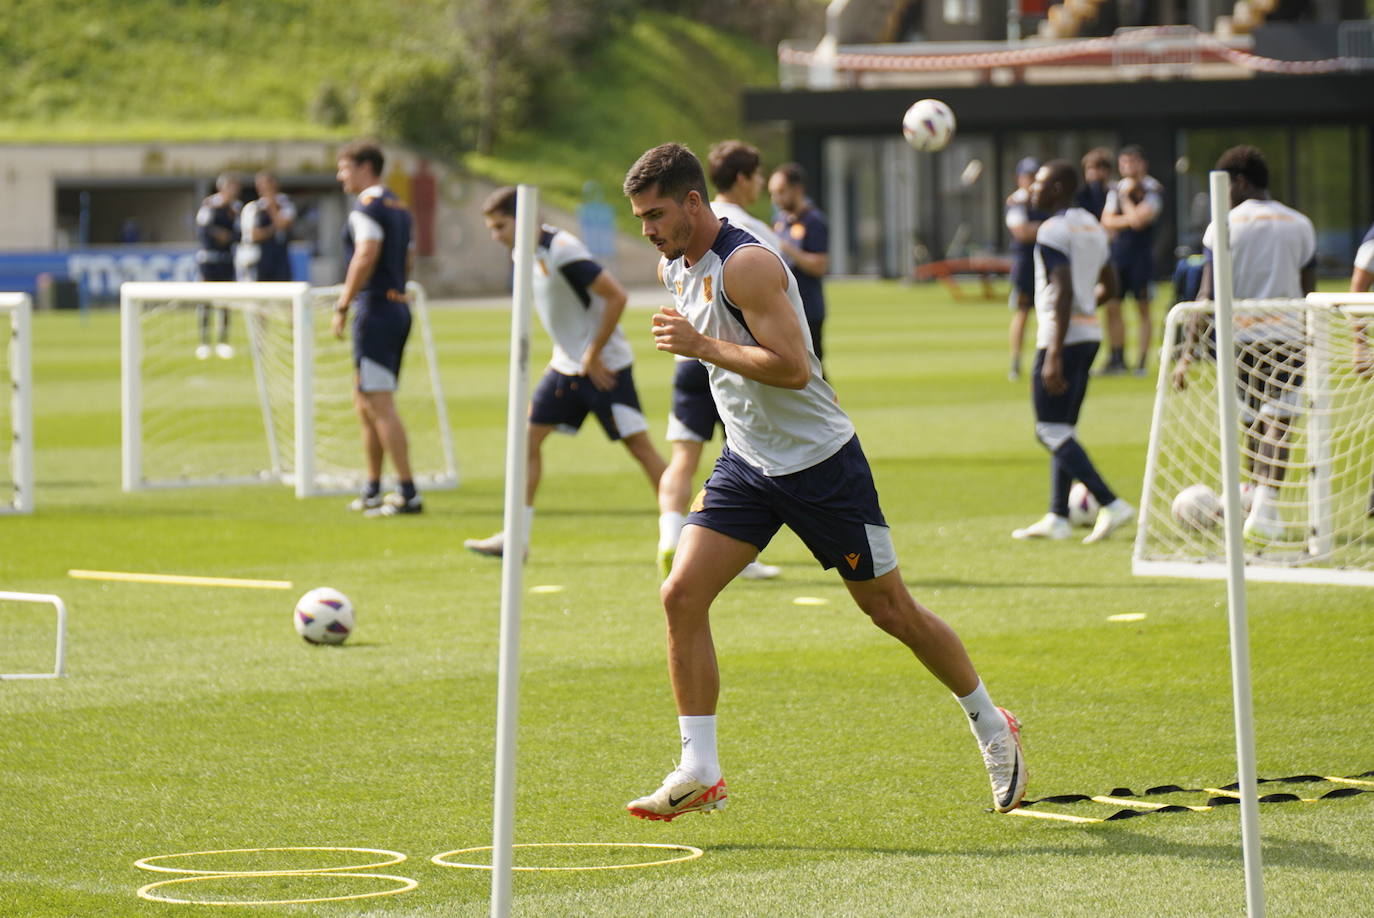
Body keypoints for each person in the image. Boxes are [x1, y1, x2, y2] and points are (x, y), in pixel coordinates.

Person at [621, 143, 1027, 821]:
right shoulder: (674, 261)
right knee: (680, 594)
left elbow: (792, 370)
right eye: (639, 218)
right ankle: (700, 769)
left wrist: (703, 346)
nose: (648, 231)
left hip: (821, 467)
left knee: (890, 611)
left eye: (656, 214)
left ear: (695, 202)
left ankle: (990, 721)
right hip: (748, 466)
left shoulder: (746, 265)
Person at [465, 186, 667, 559]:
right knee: (525, 443)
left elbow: (616, 296)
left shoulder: (563, 250)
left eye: (500, 226)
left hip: (605, 367)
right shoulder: (522, 251)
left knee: (641, 449)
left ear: (523, 218)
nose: (496, 236)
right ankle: (516, 537)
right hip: (565, 368)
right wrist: (568, 353)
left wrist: (591, 354)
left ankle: (682, 532)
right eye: (491, 228)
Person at [651, 141, 783, 581]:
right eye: (757, 175)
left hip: (690, 360)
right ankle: (734, 551)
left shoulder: (681, 241)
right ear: (743, 179)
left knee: (683, 458)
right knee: (749, 454)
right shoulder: (751, 233)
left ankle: (672, 538)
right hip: (733, 362)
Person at [1171, 145, 1316, 541]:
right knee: (1279, 421)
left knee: (1253, 422)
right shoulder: (1300, 223)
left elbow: (1207, 295)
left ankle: (1257, 502)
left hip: (1241, 339)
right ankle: (1264, 504)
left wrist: (1186, 355)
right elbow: (1310, 291)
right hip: (1288, 335)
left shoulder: (1224, 224)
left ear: (1238, 181)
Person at [1011, 161, 1135, 544]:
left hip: (1059, 339)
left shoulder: (1053, 228)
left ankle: (1111, 502)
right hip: (1090, 334)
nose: (1033, 190)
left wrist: (1053, 355)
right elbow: (1111, 286)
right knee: (1065, 429)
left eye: (1042, 184)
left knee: (1048, 429)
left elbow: (1061, 288)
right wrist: (1086, 305)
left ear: (1060, 187)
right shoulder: (1094, 226)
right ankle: (1058, 516)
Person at [332, 140, 422, 517]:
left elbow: (366, 253)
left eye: (345, 168)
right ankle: (372, 487)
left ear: (365, 167)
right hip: (396, 305)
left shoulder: (367, 207)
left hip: (376, 310)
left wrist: (343, 303)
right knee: (364, 401)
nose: (341, 176)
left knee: (379, 403)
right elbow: (409, 257)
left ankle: (407, 492)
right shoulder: (398, 206)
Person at [1100, 145, 1164, 375]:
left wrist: (1126, 202)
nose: (1128, 167)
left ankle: (1141, 362)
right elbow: (1106, 220)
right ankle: (1117, 358)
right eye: (1124, 163)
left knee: (1143, 308)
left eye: (1133, 162)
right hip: (1118, 256)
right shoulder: (1115, 189)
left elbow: (1142, 220)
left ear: (1142, 164)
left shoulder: (1152, 188)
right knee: (1113, 306)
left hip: (1142, 258)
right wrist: (1130, 217)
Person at [768, 163, 830, 367]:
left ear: (797, 189)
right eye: (773, 193)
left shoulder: (814, 221)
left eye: (781, 192)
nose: (776, 198)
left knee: (814, 372)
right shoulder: (780, 220)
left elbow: (820, 265)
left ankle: (829, 401)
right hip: (784, 308)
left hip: (808, 309)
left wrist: (789, 249)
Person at [1006, 156, 1048, 381]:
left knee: (1050, 313)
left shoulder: (1047, 199)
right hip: (1026, 263)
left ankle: (1047, 360)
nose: (1031, 181)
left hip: (1049, 261)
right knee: (1022, 311)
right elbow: (1020, 231)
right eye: (1028, 176)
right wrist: (1048, 226)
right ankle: (1015, 362)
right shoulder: (1017, 201)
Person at [194, 173, 241, 360]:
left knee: (225, 301)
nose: (233, 191)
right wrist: (219, 234)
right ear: (222, 187)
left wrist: (227, 237)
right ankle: (204, 342)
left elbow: (239, 234)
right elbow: (203, 230)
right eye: (231, 187)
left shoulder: (236, 209)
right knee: (205, 301)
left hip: (227, 259)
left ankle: (223, 341)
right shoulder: (209, 205)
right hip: (208, 260)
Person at [241, 171, 296, 282]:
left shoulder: (285, 203)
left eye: (268, 183)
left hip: (280, 258)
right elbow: (254, 236)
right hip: (260, 258)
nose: (265, 187)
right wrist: (273, 229)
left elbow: (284, 224)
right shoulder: (252, 207)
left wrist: (272, 207)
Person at [1073, 147, 1112, 221]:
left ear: (1106, 171)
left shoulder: (1114, 191)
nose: (1091, 172)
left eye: (1095, 168)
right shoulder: (1080, 194)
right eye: (1088, 168)